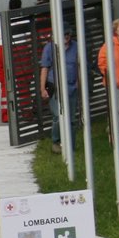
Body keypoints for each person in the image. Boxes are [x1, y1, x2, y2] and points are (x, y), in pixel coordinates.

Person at [38, 26, 81, 154]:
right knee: (58, 115)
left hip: (72, 87)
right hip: (55, 86)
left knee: (72, 119)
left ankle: (71, 146)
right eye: (63, 34)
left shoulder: (76, 46)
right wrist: (42, 88)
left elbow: (79, 65)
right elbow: (44, 68)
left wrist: (79, 82)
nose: (65, 36)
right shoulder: (49, 48)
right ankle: (56, 142)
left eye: (67, 33)